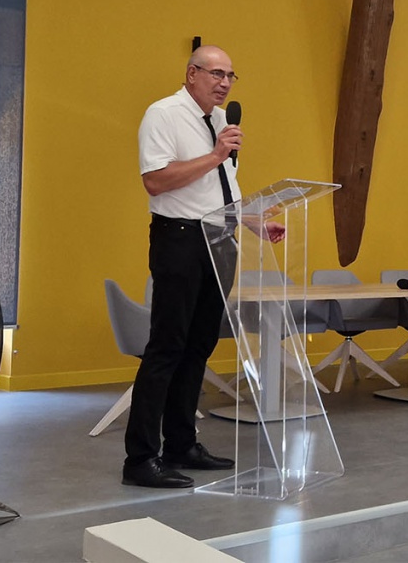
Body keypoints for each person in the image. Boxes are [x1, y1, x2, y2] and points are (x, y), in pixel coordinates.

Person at [124, 45, 284, 489]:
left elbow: (219, 192)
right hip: (179, 239)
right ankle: (140, 458)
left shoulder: (220, 121)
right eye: (216, 73)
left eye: (231, 75)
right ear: (191, 73)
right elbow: (155, 181)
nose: (225, 83)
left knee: (199, 346)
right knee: (167, 347)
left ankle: (181, 445)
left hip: (219, 239)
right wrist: (215, 155)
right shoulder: (163, 114)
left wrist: (253, 223)